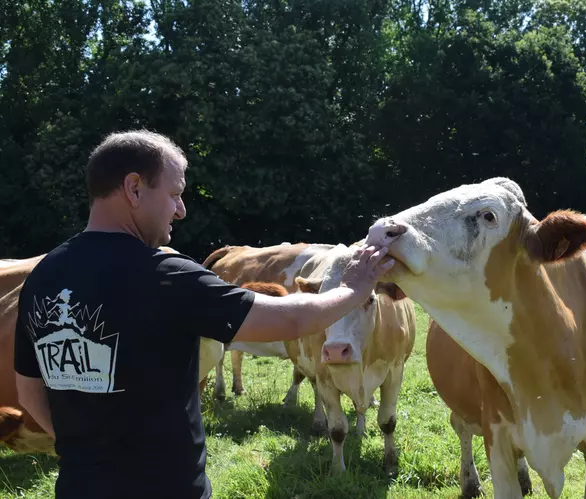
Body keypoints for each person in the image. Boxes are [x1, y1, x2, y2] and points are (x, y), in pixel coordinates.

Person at [13, 130, 395, 499]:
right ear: (134, 188)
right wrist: (353, 289)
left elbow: (28, 391)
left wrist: (78, 448)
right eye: (175, 194)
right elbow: (291, 319)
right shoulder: (166, 276)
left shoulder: (43, 275)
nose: (181, 210)